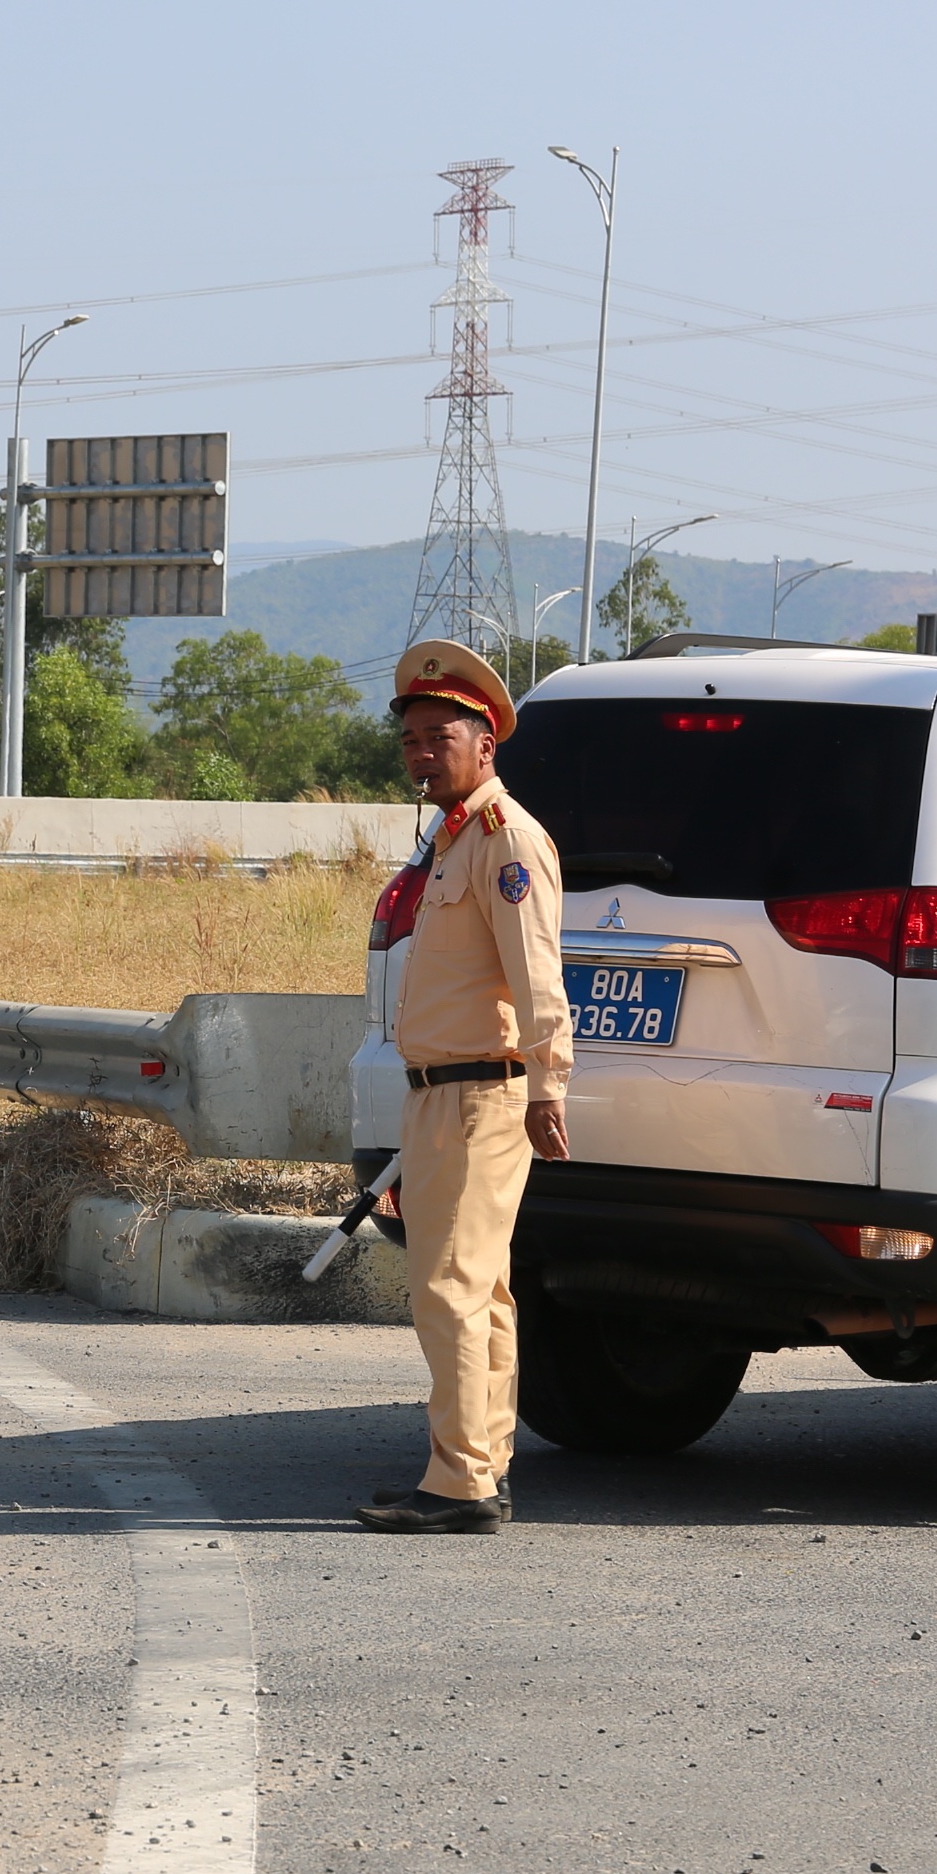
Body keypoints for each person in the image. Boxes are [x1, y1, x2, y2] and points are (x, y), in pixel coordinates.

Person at [354, 638, 572, 1535]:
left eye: (438, 735)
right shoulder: (449, 842)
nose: (420, 752)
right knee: (482, 1292)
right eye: (409, 738)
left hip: (485, 1092)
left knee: (450, 1286)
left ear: (487, 742)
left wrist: (550, 1083)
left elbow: (537, 974)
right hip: (441, 1093)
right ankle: (481, 1468)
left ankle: (462, 1483)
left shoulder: (505, 839)